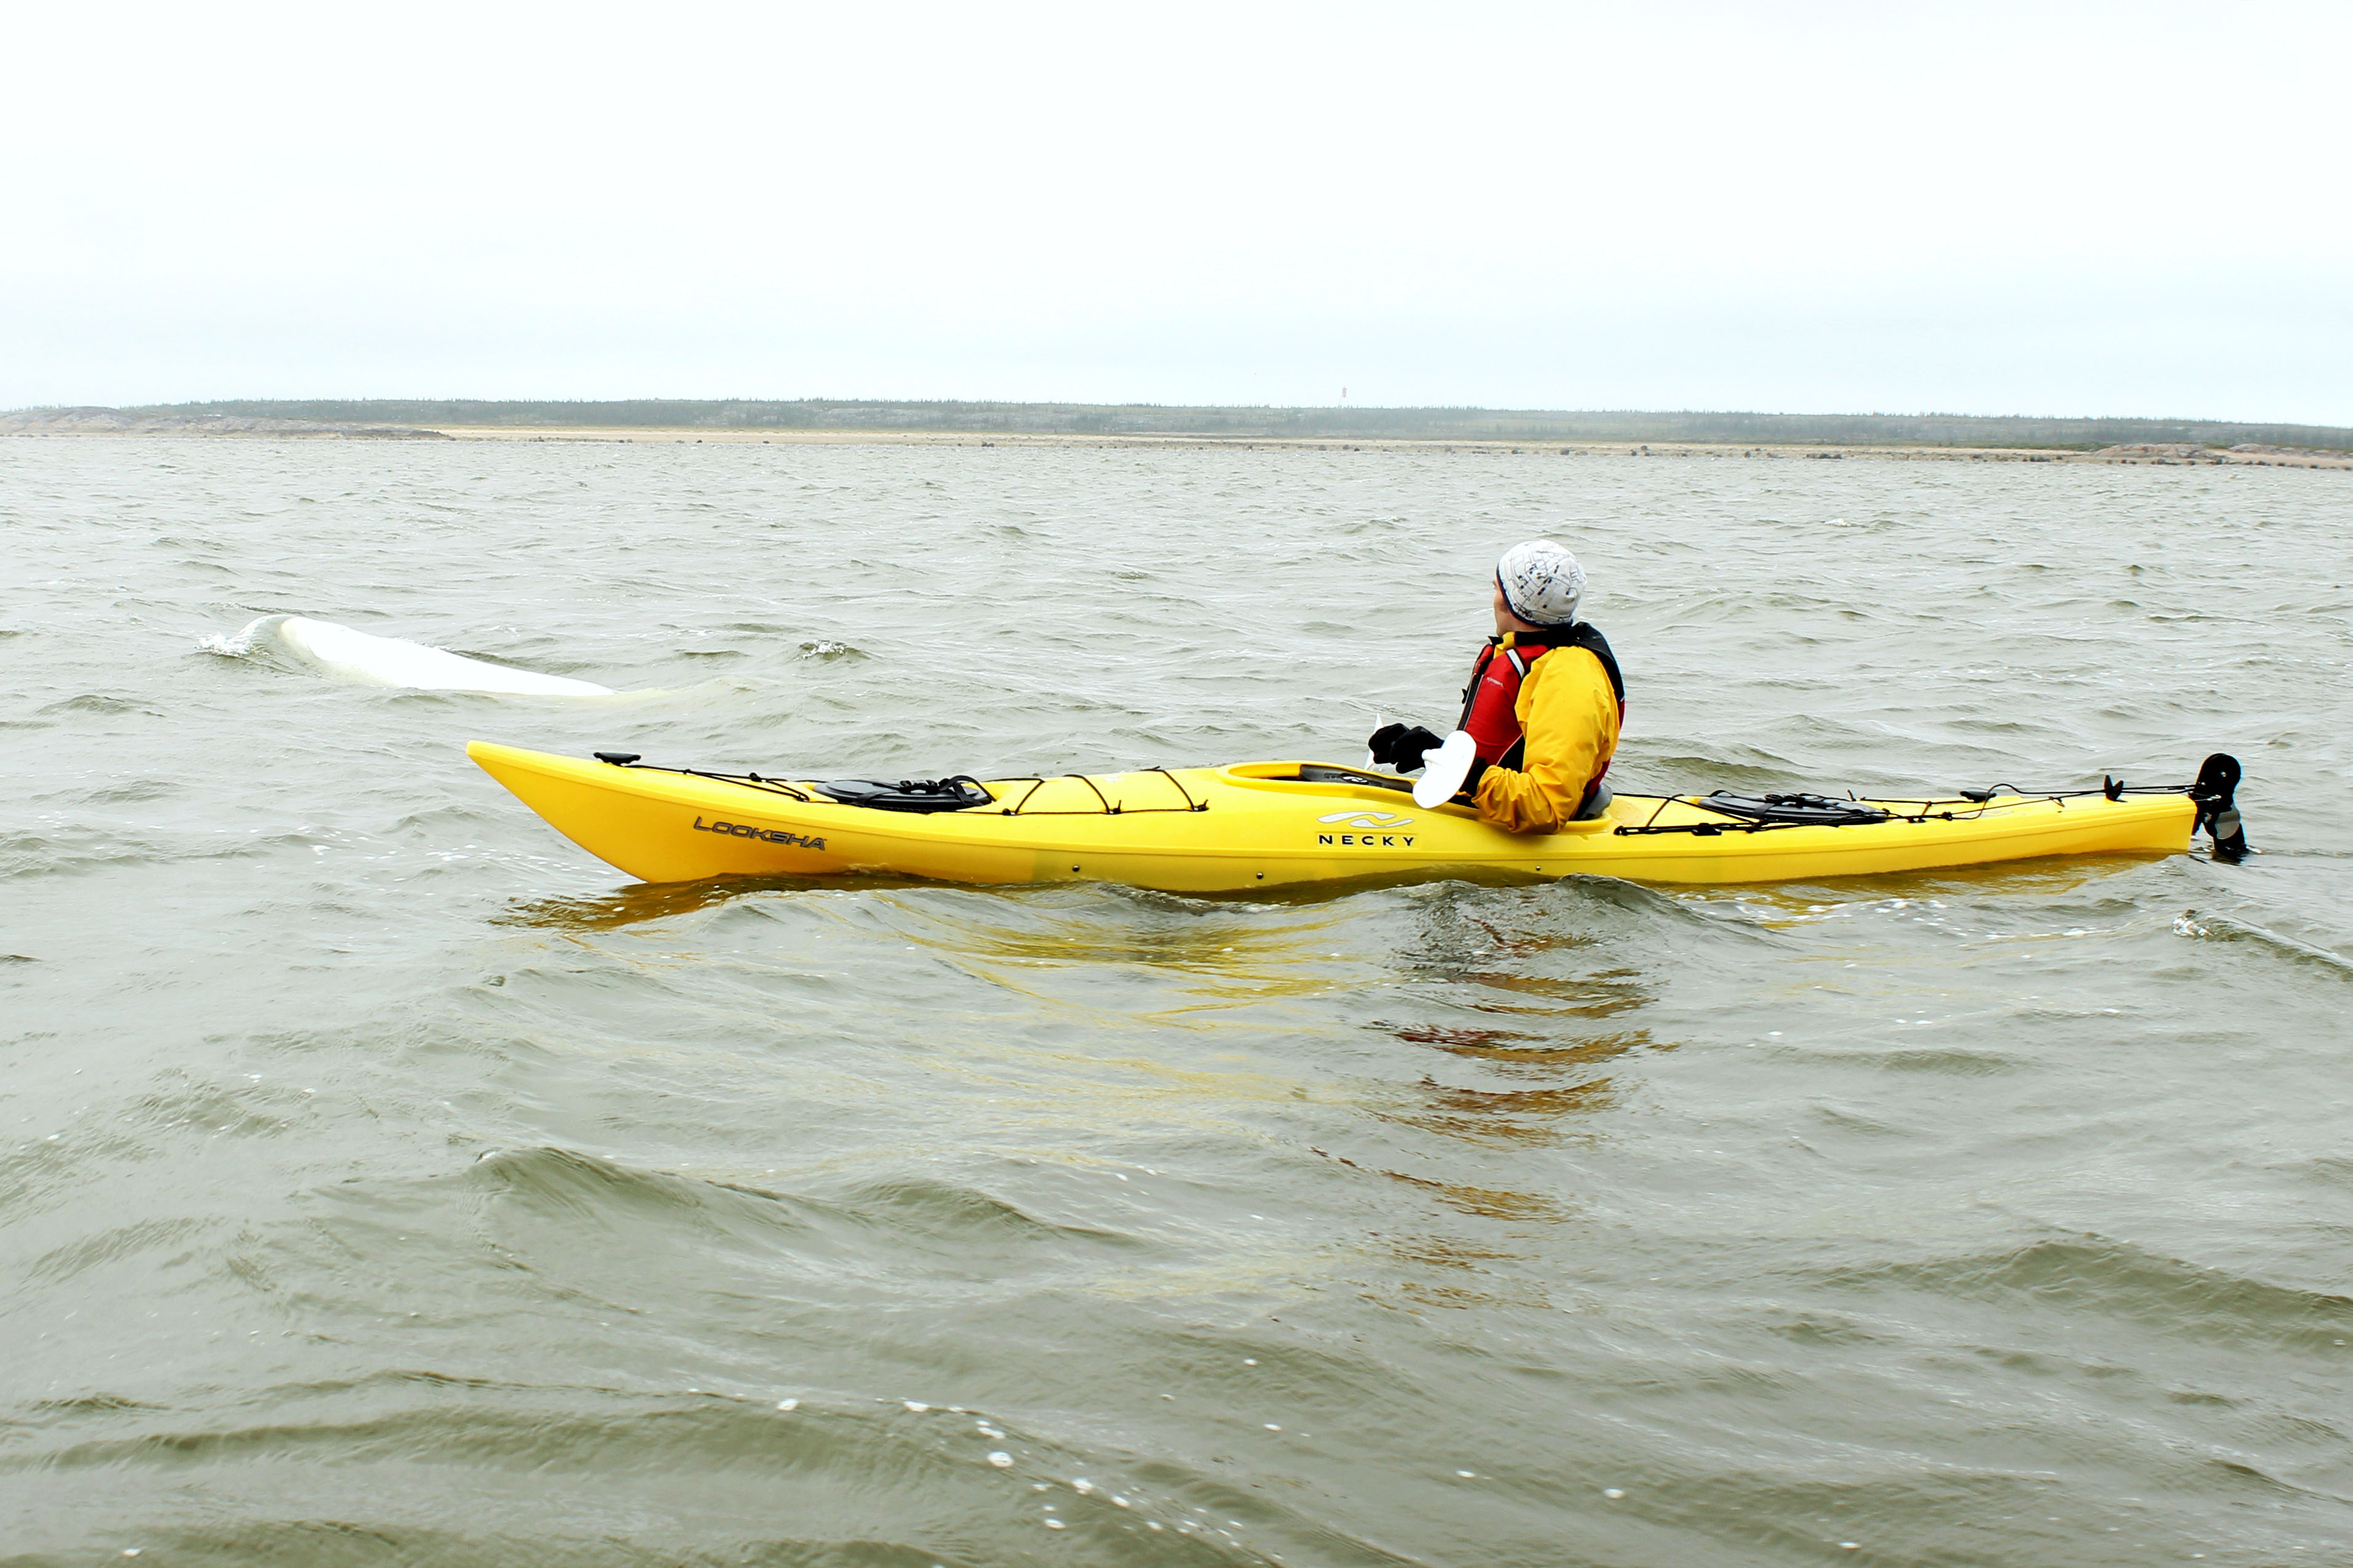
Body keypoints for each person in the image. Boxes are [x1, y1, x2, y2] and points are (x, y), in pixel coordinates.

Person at [1366, 540, 1624, 832]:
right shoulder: (1525, 655)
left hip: (1527, 825)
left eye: (1496, 588)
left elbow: (1546, 807)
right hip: (1487, 808)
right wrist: (1429, 753)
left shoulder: (1569, 678)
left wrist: (1457, 768)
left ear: (1507, 601)